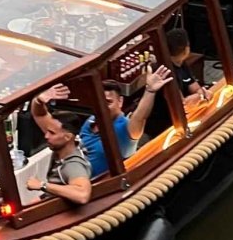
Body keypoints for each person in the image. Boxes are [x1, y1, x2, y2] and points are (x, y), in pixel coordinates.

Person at [32, 67, 172, 180]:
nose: (103, 107)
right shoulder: (91, 120)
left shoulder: (126, 129)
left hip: (96, 190)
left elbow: (140, 117)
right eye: (100, 101)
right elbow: (40, 115)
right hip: (66, 181)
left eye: (109, 102)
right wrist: (39, 100)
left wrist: (150, 91)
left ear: (120, 102)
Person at [25, 96, 92, 205]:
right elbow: (39, 114)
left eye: (52, 133)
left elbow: (82, 195)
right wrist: (38, 100)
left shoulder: (73, 165)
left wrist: (42, 185)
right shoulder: (68, 143)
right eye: (47, 131)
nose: (46, 136)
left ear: (67, 137)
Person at [164, 28, 207, 100]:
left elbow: (196, 88)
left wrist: (201, 93)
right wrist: (200, 95)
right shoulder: (167, 71)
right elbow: (181, 102)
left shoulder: (182, 63)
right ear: (186, 49)